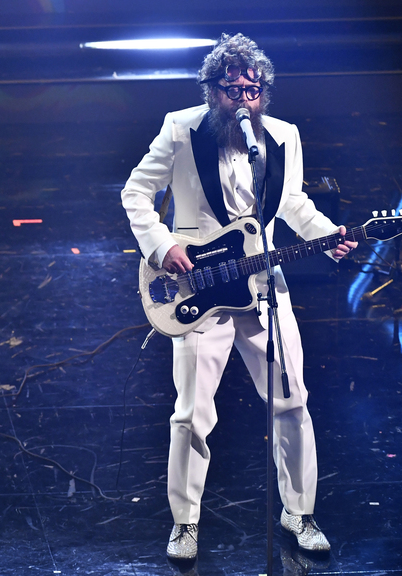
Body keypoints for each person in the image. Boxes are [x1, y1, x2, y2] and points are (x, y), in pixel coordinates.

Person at [120, 33, 357, 561]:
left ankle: (298, 512)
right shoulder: (180, 129)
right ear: (212, 90)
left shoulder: (283, 136)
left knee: (292, 401)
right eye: (233, 91)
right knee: (192, 414)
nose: (244, 101)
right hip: (200, 287)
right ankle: (185, 523)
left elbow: (292, 203)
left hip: (263, 285)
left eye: (253, 91)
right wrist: (162, 245)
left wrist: (326, 235)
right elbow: (135, 191)